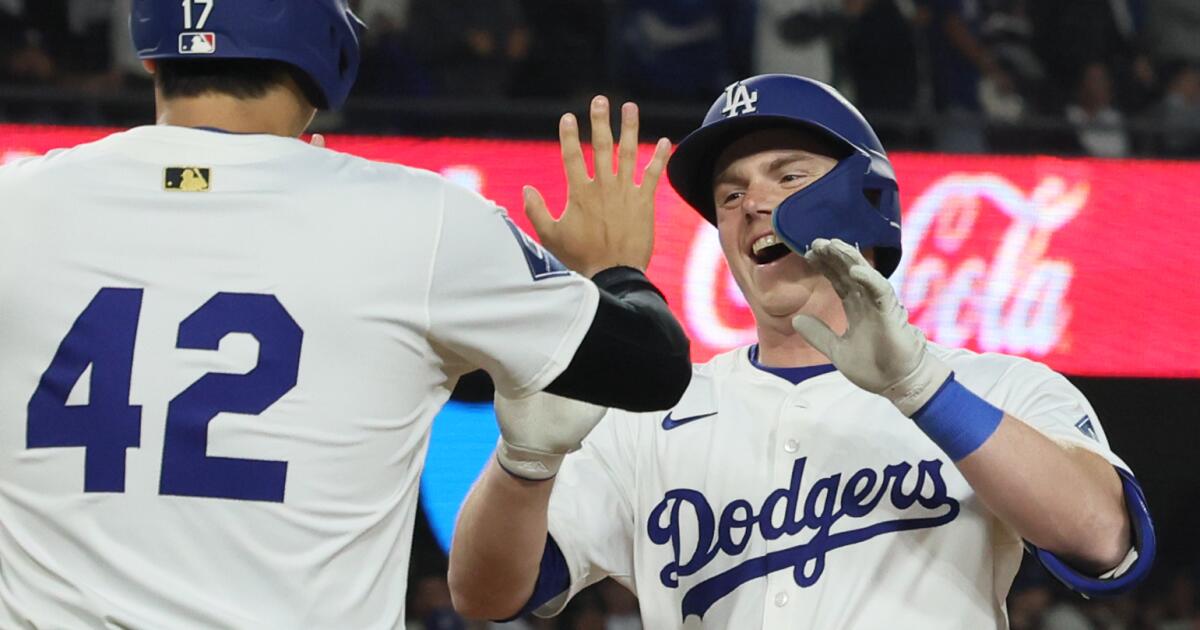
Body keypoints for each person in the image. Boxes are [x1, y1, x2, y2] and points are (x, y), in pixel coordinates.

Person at [0, 0, 691, 626]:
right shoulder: (415, 219)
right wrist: (613, 269)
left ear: (150, 45)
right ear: (327, 42)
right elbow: (652, 367)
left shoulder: (17, 202)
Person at [447, 74, 1155, 628]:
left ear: (866, 197)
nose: (753, 202)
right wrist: (523, 466)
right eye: (729, 194)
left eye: (789, 176)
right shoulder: (650, 409)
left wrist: (920, 388)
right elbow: (486, 594)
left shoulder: (993, 388)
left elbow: (1102, 537)